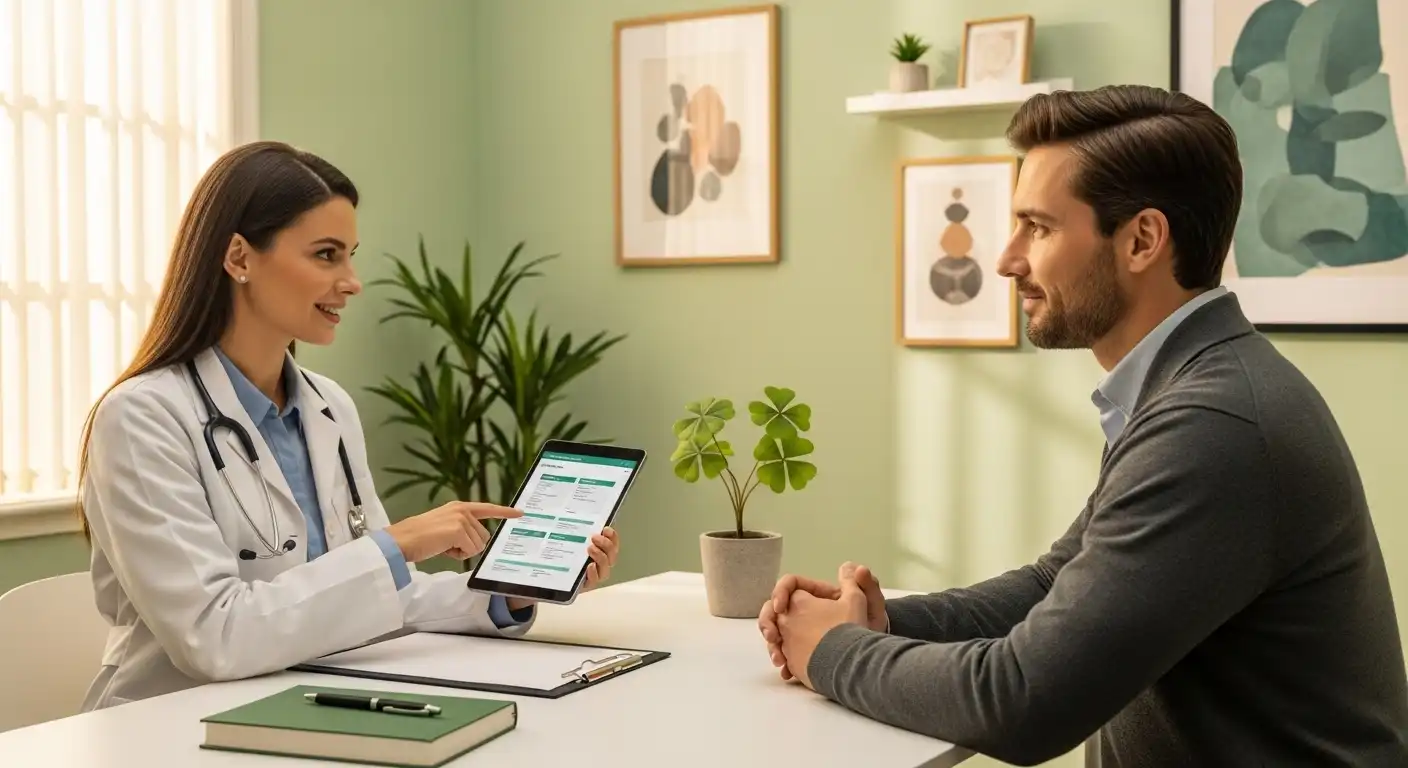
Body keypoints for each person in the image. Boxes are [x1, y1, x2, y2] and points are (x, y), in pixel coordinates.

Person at [758, 85, 1408, 767]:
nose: (1008, 259)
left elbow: (1021, 702)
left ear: (1142, 241)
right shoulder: (1192, 389)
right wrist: (884, 620)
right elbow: (1055, 585)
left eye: (1037, 227)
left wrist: (832, 651)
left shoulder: (1214, 426)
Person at [75, 141, 621, 711]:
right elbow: (215, 637)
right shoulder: (141, 418)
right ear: (239, 257)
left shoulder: (326, 406)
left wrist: (507, 592)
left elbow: (374, 598)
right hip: (171, 721)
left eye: (350, 255)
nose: (353, 281)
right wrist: (400, 542)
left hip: (309, 701)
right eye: (326, 255)